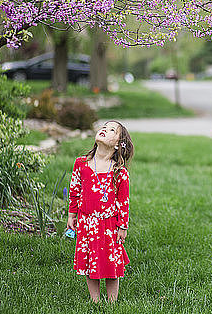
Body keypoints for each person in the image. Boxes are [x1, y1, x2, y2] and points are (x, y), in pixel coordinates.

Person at [67, 120, 134, 303]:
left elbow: (123, 202)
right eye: (104, 127)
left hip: (109, 225)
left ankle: (112, 303)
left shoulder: (119, 172)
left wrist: (122, 226)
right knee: (90, 263)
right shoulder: (81, 164)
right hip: (87, 222)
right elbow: (75, 191)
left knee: (111, 264)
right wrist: (72, 214)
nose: (104, 129)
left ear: (118, 145)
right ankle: (95, 301)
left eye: (112, 130)